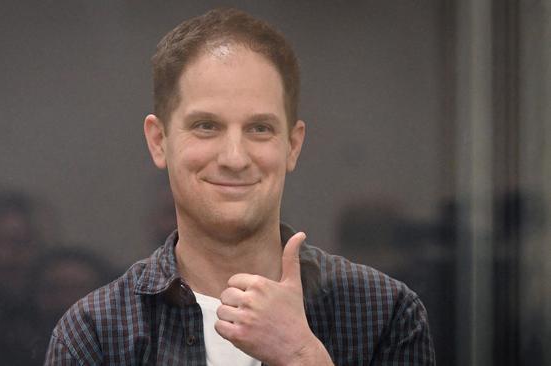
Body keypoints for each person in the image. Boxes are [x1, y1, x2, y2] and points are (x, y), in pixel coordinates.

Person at [45, 8, 435, 365]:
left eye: (259, 128)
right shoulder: (95, 334)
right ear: (159, 140)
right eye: (206, 126)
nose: (234, 157)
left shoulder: (385, 312)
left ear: (293, 145)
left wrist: (302, 355)